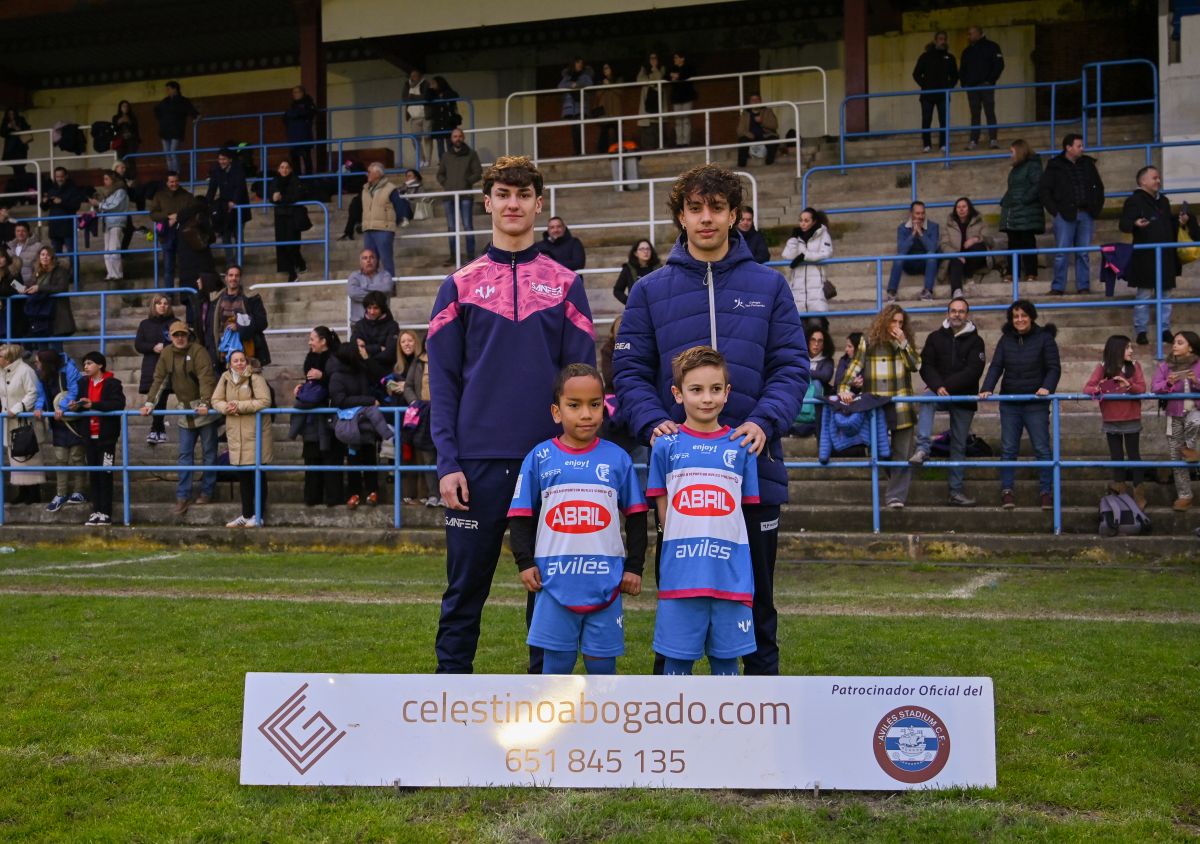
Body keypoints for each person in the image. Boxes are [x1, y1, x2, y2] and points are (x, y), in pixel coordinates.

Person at [614, 163, 808, 676]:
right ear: (681, 216)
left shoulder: (769, 286)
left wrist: (764, 421)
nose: (706, 218)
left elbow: (792, 366)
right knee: (678, 604)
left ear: (735, 214)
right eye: (695, 208)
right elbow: (629, 371)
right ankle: (670, 716)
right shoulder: (649, 290)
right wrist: (651, 421)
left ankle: (763, 714)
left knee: (757, 605)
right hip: (681, 484)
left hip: (753, 468)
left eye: (717, 208)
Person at [428, 155, 597, 675]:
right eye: (503, 194)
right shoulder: (458, 285)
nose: (513, 204)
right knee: (464, 590)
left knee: (549, 592)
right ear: (488, 203)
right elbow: (443, 385)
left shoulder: (565, 284)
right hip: (475, 464)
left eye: (523, 194)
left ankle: (545, 699)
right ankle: (448, 695)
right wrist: (447, 463)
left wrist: (577, 459)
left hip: (550, 462)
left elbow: (582, 384)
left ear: (539, 204)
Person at [509, 363, 648, 675]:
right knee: (556, 669)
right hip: (554, 582)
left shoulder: (618, 458)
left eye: (594, 404)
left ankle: (601, 711)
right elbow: (520, 515)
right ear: (556, 412)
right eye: (574, 405)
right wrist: (524, 562)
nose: (586, 414)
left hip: (605, 581)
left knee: (602, 669)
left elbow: (637, 515)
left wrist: (634, 567)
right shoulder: (540, 457)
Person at [647, 346, 759, 675]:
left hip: (730, 577)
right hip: (681, 576)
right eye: (696, 390)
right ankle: (674, 715)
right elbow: (664, 516)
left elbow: (742, 513)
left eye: (715, 389)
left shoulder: (741, 446)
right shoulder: (665, 445)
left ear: (727, 392)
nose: (707, 398)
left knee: (727, 666)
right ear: (678, 394)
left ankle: (725, 717)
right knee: (676, 665)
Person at [979, 299, 1061, 510]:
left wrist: (1047, 388)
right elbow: (996, 366)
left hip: (1036, 403)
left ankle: (1046, 492)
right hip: (1010, 403)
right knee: (1008, 449)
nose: (1020, 320)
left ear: (1031, 317)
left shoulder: (1044, 338)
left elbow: (1054, 368)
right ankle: (1007, 491)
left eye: (1024, 315)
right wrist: (987, 388)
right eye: (1015, 316)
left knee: (1042, 448)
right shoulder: (1006, 339)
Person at [837, 304, 922, 508]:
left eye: (901, 322)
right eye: (894, 321)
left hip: (901, 404)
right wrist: (843, 388)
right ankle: (895, 486)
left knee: (903, 452)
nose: (897, 326)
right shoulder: (868, 341)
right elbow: (854, 367)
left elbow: (916, 365)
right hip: (876, 406)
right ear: (884, 321)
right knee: (880, 450)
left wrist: (903, 343)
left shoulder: (904, 342)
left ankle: (895, 496)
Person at [911, 297, 985, 506]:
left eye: (961, 311)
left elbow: (974, 371)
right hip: (940, 391)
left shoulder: (976, 341)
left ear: (967, 315)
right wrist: (937, 386)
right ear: (948, 313)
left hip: (963, 396)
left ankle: (955, 492)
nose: (957, 315)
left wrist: (946, 386)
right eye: (953, 310)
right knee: (927, 399)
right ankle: (923, 449)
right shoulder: (935, 337)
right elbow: (926, 365)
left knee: (958, 445)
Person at [141, 321, 218, 515]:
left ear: (188, 335)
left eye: (183, 334)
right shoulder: (166, 354)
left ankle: (207, 491)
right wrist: (150, 403)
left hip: (204, 410)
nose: (180, 338)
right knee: (184, 455)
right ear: (170, 337)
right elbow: (159, 379)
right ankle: (182, 496)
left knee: (209, 453)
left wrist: (206, 403)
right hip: (184, 410)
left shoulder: (199, 351)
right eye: (176, 335)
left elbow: (206, 378)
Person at [1119, 165, 1199, 345]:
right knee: (1144, 294)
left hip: (1165, 255)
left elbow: (1167, 223)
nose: (1158, 181)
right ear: (1143, 181)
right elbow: (1123, 224)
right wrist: (1135, 223)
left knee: (1166, 294)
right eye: (1154, 178)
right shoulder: (1134, 201)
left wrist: (1181, 221)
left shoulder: (1163, 201)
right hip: (1146, 255)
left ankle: (1164, 329)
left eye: (1158, 177)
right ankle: (1141, 330)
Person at [1084, 335, 1147, 509]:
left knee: (1134, 455)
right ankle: (1120, 489)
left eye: (1131, 347)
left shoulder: (1135, 366)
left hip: (1131, 417)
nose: (1131, 351)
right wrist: (1100, 387)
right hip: (1111, 418)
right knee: (1116, 456)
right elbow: (1087, 388)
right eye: (1127, 348)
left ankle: (1139, 492)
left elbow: (1142, 388)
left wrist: (1128, 385)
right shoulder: (1103, 367)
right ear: (1116, 350)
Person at [212, 349, 273, 527]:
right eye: (235, 361)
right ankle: (246, 515)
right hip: (236, 435)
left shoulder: (256, 378)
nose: (239, 363)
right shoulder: (225, 378)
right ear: (229, 364)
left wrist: (238, 406)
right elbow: (215, 400)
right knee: (243, 476)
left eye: (241, 360)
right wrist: (226, 408)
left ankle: (259, 515)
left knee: (257, 475)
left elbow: (265, 401)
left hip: (255, 434)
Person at [1039, 134, 1104, 295]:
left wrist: (1095, 208)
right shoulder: (1055, 165)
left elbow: (1099, 187)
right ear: (1068, 147)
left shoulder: (1088, 164)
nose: (1082, 148)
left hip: (1086, 213)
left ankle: (1083, 286)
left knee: (1083, 253)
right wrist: (1055, 211)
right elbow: (1044, 190)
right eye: (1079, 146)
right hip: (1064, 215)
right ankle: (1058, 287)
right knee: (1062, 253)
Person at [291, 325, 344, 508]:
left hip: (330, 416)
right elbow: (311, 384)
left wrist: (323, 376)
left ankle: (333, 498)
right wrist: (302, 388)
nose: (309, 343)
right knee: (312, 457)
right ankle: (312, 497)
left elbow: (339, 383)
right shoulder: (310, 359)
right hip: (312, 419)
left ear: (323, 341)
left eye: (312, 339)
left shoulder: (336, 359)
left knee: (331, 456)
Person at [328, 340, 384, 508]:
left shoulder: (362, 371)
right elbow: (340, 400)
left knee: (370, 456)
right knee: (353, 458)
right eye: (358, 350)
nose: (361, 351)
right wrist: (368, 401)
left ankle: (372, 491)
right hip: (350, 424)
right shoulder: (337, 376)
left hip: (366, 422)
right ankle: (354, 493)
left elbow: (378, 377)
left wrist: (367, 359)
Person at [73, 351, 125, 526]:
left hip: (106, 438)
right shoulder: (82, 383)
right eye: (84, 364)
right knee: (94, 474)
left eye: (89, 363)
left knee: (105, 473)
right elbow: (79, 403)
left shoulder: (113, 383)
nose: (86, 367)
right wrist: (76, 406)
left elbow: (118, 404)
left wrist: (93, 405)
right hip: (89, 436)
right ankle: (96, 511)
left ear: (100, 365)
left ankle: (106, 513)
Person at [32, 349, 87, 512]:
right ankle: (60, 493)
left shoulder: (69, 369)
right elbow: (41, 394)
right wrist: (39, 407)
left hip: (73, 419)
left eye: (38, 362)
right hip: (57, 422)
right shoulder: (41, 374)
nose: (36, 364)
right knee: (60, 458)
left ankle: (79, 491)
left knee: (77, 456)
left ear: (46, 362)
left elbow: (74, 391)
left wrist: (62, 408)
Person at [1151, 331, 1200, 512]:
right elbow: (1155, 387)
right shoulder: (1166, 366)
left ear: (1191, 347)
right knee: (1176, 457)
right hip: (1174, 414)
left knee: (1196, 422)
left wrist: (1196, 381)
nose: (1175, 345)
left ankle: (1189, 448)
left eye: (1180, 342)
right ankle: (1185, 496)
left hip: (1195, 411)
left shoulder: (1199, 364)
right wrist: (1169, 384)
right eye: (1174, 342)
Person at [399, 330, 440, 507]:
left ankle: (447, 494)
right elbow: (408, 386)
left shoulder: (447, 359)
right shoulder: (418, 362)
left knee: (445, 453)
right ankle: (433, 494)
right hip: (424, 413)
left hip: (443, 412)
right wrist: (414, 402)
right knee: (428, 455)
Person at [0, 343, 45, 503]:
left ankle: (34, 494)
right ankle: (22, 492)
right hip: (9, 422)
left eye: (0, 356)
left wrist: (16, 409)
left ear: (9, 358)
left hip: (25, 422)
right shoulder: (2, 372)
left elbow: (33, 393)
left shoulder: (26, 371)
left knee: (29, 456)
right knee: (16, 459)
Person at [205, 265, 270, 372]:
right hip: (223, 351)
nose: (233, 278)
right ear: (226, 278)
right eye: (231, 275)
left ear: (240, 278)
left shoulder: (252, 298)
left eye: (236, 275)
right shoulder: (216, 299)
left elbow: (262, 323)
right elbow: (210, 327)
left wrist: (239, 327)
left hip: (247, 351)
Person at [998, 139, 1044, 283]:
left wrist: (1024, 200)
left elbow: (1038, 185)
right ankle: (1012, 272)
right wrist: (1005, 201)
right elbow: (1013, 189)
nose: (1010, 155)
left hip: (1027, 211)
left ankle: (1031, 273)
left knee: (1027, 241)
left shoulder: (1033, 166)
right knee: (1013, 242)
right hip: (1014, 211)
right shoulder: (1015, 169)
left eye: (1012, 152)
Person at [436, 127, 482, 266]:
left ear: (463, 137)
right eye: (455, 136)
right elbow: (440, 174)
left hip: (465, 195)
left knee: (468, 226)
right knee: (451, 228)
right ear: (451, 139)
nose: (457, 139)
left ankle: (470, 256)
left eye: (460, 136)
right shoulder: (446, 156)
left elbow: (478, 172)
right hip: (449, 196)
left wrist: (467, 181)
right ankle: (453, 257)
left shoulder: (471, 154)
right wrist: (446, 183)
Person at [135, 294, 177, 445]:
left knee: (162, 396)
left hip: (170, 365)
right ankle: (157, 429)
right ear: (154, 306)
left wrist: (164, 346)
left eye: (165, 303)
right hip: (151, 365)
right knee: (155, 398)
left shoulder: (175, 322)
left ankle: (157, 429)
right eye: (159, 303)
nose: (162, 306)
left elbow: (182, 341)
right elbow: (138, 345)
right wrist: (153, 347)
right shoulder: (144, 324)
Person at [361, 162, 410, 279]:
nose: (367, 174)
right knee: (369, 261)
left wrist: (401, 219)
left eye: (369, 172)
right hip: (368, 229)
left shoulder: (390, 189)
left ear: (378, 174)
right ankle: (371, 285)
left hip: (384, 229)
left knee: (386, 259)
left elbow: (399, 205)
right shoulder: (365, 189)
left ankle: (390, 286)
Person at [912, 30, 958, 152]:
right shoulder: (925, 56)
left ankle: (943, 144)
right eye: (940, 39)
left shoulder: (950, 58)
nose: (943, 41)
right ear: (935, 41)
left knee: (944, 120)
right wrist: (925, 86)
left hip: (943, 94)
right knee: (926, 119)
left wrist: (949, 87)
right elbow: (916, 74)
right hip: (927, 95)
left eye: (944, 39)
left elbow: (955, 76)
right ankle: (926, 145)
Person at [959, 26, 1004, 150]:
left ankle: (993, 140)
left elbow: (999, 64)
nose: (969, 36)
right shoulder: (967, 51)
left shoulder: (992, 46)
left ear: (979, 33)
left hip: (986, 85)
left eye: (971, 33)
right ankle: (973, 140)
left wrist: (990, 81)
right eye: (968, 34)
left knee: (989, 112)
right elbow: (962, 69)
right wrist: (964, 83)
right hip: (972, 87)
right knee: (975, 114)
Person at [782, 207, 833, 312]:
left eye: (806, 221)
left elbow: (826, 253)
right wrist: (793, 238)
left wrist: (805, 256)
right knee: (798, 319)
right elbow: (787, 255)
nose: (803, 224)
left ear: (814, 221)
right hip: (797, 285)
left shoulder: (823, 234)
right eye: (801, 220)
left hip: (817, 285)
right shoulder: (796, 236)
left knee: (817, 320)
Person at [205, 149, 252, 266]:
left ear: (230, 159)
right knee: (226, 237)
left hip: (239, 209)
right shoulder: (216, 171)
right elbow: (212, 189)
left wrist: (234, 201)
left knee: (238, 237)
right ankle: (230, 264)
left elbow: (240, 188)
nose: (221, 162)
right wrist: (206, 204)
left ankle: (239, 264)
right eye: (219, 159)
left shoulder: (238, 170)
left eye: (224, 159)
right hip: (224, 210)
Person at [886, 200, 940, 302]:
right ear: (911, 214)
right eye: (917, 213)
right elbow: (902, 249)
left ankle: (928, 291)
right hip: (910, 264)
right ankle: (892, 291)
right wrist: (913, 234)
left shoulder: (933, 226)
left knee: (932, 255)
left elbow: (932, 248)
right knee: (899, 257)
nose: (920, 216)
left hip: (926, 263)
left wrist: (921, 234)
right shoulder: (902, 228)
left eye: (922, 213)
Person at [938, 196, 992, 297]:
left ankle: (968, 274)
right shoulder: (948, 226)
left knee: (978, 247)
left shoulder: (980, 222)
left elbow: (990, 241)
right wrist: (956, 254)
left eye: (964, 207)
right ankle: (957, 291)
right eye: (958, 207)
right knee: (955, 259)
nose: (961, 209)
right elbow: (943, 245)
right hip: (956, 258)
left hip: (973, 258)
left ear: (969, 208)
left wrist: (976, 239)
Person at [24, 247, 76, 350]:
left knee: (56, 350)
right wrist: (21, 288)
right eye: (42, 255)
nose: (45, 257)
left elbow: (62, 287)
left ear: (52, 257)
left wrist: (39, 288)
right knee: (42, 350)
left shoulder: (60, 271)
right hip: (40, 316)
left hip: (55, 315)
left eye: (48, 255)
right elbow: (28, 285)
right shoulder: (37, 272)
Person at [148, 172, 193, 286]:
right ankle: (169, 293)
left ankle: (185, 292)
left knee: (185, 266)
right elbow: (153, 215)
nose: (174, 184)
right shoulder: (159, 196)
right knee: (168, 267)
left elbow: (192, 212)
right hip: (166, 234)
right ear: (167, 182)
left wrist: (177, 217)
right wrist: (168, 216)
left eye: (176, 181)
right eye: (171, 182)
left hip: (183, 234)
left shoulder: (187, 195)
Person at [349, 289, 399, 385]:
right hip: (363, 371)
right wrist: (378, 348)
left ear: (382, 308)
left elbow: (390, 353)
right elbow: (354, 349)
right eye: (369, 308)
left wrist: (367, 355)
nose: (372, 312)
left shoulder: (392, 326)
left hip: (384, 371)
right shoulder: (359, 325)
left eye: (376, 308)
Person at [269, 159, 307, 282]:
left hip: (292, 216)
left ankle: (297, 268)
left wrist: (282, 198)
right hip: (280, 216)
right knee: (282, 244)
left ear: (290, 169)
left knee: (292, 245)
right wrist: (274, 198)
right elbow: (271, 196)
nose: (284, 170)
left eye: (286, 167)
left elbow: (298, 196)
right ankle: (292, 270)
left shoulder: (295, 180)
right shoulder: (275, 181)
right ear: (278, 169)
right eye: (282, 167)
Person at [88, 170, 129, 282]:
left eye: (107, 179)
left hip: (117, 222)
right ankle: (110, 273)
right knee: (107, 250)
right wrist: (96, 206)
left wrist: (99, 204)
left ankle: (117, 274)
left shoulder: (121, 191)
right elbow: (105, 207)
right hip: (107, 223)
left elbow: (114, 206)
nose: (104, 181)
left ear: (113, 179)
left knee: (114, 248)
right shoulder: (108, 193)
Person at [153, 81, 199, 173]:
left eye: (169, 89)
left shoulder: (183, 101)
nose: (167, 91)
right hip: (165, 131)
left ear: (175, 89)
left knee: (173, 152)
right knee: (167, 154)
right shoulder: (165, 101)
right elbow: (157, 111)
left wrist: (196, 118)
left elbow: (194, 113)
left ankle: (176, 173)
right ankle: (171, 173)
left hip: (176, 131)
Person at [39, 167, 85, 255]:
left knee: (72, 254)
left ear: (66, 176)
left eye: (61, 176)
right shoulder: (51, 190)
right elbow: (44, 208)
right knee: (55, 255)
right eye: (57, 177)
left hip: (68, 227)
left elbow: (76, 206)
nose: (59, 179)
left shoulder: (73, 190)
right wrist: (44, 202)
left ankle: (73, 265)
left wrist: (61, 202)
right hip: (54, 227)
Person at [558, 58, 593, 156]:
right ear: (573, 64)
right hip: (571, 108)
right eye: (577, 62)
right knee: (574, 129)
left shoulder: (585, 75)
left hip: (581, 106)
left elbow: (589, 84)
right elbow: (560, 86)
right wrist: (571, 85)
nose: (579, 64)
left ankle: (581, 151)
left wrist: (577, 85)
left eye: (581, 63)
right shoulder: (567, 76)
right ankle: (577, 151)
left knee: (579, 128)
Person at [346, 248, 393, 322]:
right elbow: (353, 294)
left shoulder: (385, 275)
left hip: (382, 323)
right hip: (359, 322)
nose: (368, 260)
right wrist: (377, 296)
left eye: (371, 257)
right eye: (365, 258)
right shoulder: (354, 276)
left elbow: (386, 288)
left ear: (376, 260)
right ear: (360, 262)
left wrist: (365, 287)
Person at [282, 85, 318, 176]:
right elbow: (285, 118)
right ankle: (297, 179)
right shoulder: (291, 105)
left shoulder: (308, 103)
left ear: (302, 93)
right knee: (294, 161)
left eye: (297, 92)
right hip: (293, 138)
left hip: (304, 137)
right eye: (294, 92)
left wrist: (296, 114)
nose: (295, 94)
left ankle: (309, 179)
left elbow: (309, 113)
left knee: (307, 159)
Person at [735, 94, 779, 167]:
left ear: (760, 101)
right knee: (742, 140)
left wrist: (762, 122)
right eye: (752, 100)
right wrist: (749, 134)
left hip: (765, 135)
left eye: (757, 100)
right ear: (750, 102)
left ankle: (769, 164)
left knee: (773, 139)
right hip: (751, 136)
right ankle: (741, 166)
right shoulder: (745, 113)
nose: (755, 102)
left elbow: (775, 125)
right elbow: (739, 130)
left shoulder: (767, 111)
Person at [612, 239, 660, 305]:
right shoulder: (628, 269)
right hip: (637, 309)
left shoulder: (658, 269)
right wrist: (629, 302)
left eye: (648, 249)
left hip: (656, 307)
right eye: (642, 249)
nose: (646, 251)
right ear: (635, 253)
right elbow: (617, 290)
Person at [427, 75, 462, 164]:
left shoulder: (448, 92)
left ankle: (451, 159)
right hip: (438, 121)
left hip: (448, 120)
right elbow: (426, 98)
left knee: (450, 141)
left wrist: (443, 95)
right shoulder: (432, 93)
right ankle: (442, 160)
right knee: (439, 142)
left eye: (434, 83)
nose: (432, 85)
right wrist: (430, 89)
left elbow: (455, 96)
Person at [402, 69, 433, 167]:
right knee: (415, 139)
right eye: (411, 76)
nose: (412, 78)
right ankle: (421, 160)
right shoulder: (407, 85)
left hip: (426, 116)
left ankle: (428, 161)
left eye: (415, 76)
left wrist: (413, 97)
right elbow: (404, 99)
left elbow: (426, 97)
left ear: (420, 76)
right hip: (414, 117)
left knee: (427, 138)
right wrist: (415, 98)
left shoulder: (425, 83)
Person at [636, 52, 665, 150]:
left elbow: (659, 78)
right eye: (651, 58)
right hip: (646, 103)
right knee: (646, 129)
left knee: (656, 127)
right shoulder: (644, 69)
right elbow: (639, 80)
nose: (653, 60)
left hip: (657, 102)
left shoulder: (662, 68)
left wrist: (654, 69)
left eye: (655, 58)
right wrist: (651, 80)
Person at [593, 62, 624, 155]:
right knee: (604, 131)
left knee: (618, 131)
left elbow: (620, 92)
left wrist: (610, 85)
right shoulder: (600, 81)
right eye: (604, 69)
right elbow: (598, 94)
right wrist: (604, 86)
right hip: (605, 111)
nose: (605, 70)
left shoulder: (618, 79)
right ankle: (602, 152)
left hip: (615, 110)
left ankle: (620, 150)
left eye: (607, 68)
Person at [668, 52, 696, 147]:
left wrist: (678, 76)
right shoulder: (672, 68)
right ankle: (679, 142)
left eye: (676, 57)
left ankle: (686, 142)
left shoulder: (688, 67)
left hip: (687, 97)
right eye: (674, 57)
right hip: (676, 98)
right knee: (678, 121)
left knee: (686, 120)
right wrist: (672, 75)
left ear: (682, 58)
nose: (674, 59)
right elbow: (666, 76)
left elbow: (689, 74)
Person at [834, 332, 864, 397]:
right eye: (846, 346)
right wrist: (851, 381)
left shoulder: (867, 362)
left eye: (850, 346)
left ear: (858, 348)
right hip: (844, 394)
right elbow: (837, 381)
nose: (846, 349)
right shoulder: (844, 360)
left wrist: (863, 384)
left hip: (862, 396)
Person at [1, 108, 31, 173]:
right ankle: (21, 178)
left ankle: (22, 178)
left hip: (20, 147)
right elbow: (2, 133)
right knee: (15, 166)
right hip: (11, 149)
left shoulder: (21, 120)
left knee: (20, 165)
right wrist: (8, 127)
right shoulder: (6, 121)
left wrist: (16, 127)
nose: (11, 116)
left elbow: (26, 129)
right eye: (9, 114)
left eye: (12, 114)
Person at [111, 100, 140, 166]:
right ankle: (121, 172)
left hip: (131, 140)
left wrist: (129, 122)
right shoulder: (115, 117)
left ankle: (132, 172)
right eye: (123, 106)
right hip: (120, 140)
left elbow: (136, 129)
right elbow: (114, 129)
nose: (125, 108)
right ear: (120, 108)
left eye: (127, 106)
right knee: (121, 159)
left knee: (131, 158)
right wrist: (118, 123)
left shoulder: (133, 117)